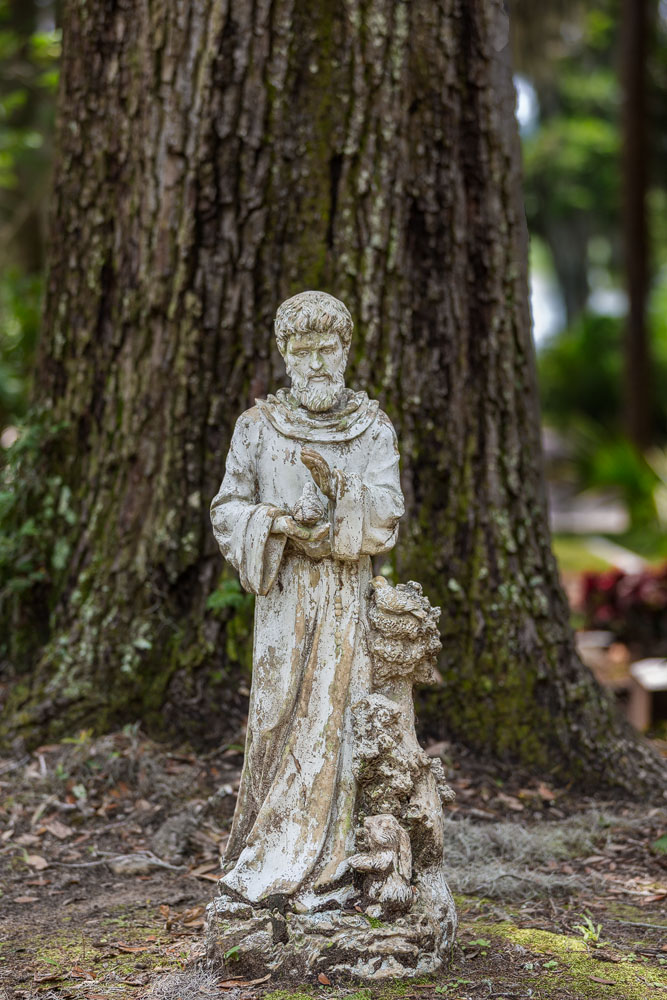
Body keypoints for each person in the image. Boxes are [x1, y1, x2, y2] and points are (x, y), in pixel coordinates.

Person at [210, 290, 404, 910]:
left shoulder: (371, 428)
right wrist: (278, 524)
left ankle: (333, 865)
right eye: (304, 351)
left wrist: (339, 495)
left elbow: (386, 515)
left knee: (337, 720)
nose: (317, 364)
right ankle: (270, 851)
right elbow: (227, 511)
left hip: (347, 603)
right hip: (285, 607)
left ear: (346, 351)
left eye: (328, 350)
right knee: (276, 719)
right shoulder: (258, 428)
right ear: (286, 355)